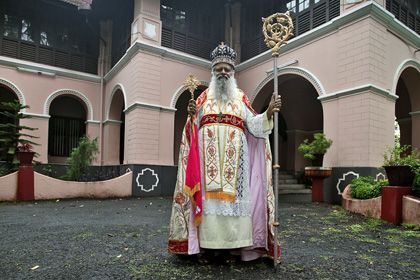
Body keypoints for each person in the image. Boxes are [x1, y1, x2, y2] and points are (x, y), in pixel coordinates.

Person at [168, 42, 281, 262]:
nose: (222, 72)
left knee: (234, 206)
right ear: (212, 72)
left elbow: (255, 126)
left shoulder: (240, 98)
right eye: (218, 69)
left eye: (226, 69)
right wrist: (191, 116)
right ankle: (208, 248)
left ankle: (234, 248)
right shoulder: (202, 98)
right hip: (206, 165)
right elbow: (193, 128)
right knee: (209, 205)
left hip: (236, 166)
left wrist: (268, 112)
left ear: (233, 73)